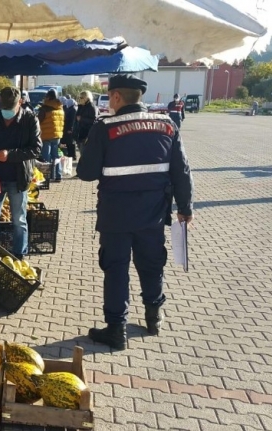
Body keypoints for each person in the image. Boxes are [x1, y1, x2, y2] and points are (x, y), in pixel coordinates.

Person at [76, 74, 194, 350]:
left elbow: (86, 173)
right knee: (152, 263)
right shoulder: (167, 124)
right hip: (152, 214)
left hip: (115, 214)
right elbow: (182, 170)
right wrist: (186, 207)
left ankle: (117, 330)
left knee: (116, 268)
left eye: (109, 97)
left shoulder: (104, 127)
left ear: (117, 97)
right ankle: (154, 316)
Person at [0, 87, 42, 258]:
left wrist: (10, 155)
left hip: (18, 178)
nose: (6, 112)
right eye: (3, 108)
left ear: (20, 103)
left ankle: (19, 256)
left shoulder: (30, 120)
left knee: (19, 221)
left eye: (9, 109)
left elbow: (36, 149)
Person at [37, 89, 65, 181]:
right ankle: (58, 175)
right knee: (56, 155)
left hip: (46, 136)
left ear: (48, 97)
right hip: (57, 135)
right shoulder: (60, 108)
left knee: (46, 156)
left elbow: (38, 121)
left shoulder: (44, 109)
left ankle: (46, 176)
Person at [61, 95, 78, 160]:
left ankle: (73, 155)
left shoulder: (73, 110)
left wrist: (70, 129)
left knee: (71, 143)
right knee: (69, 142)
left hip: (70, 129)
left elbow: (72, 120)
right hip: (68, 128)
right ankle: (70, 155)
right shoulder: (70, 109)